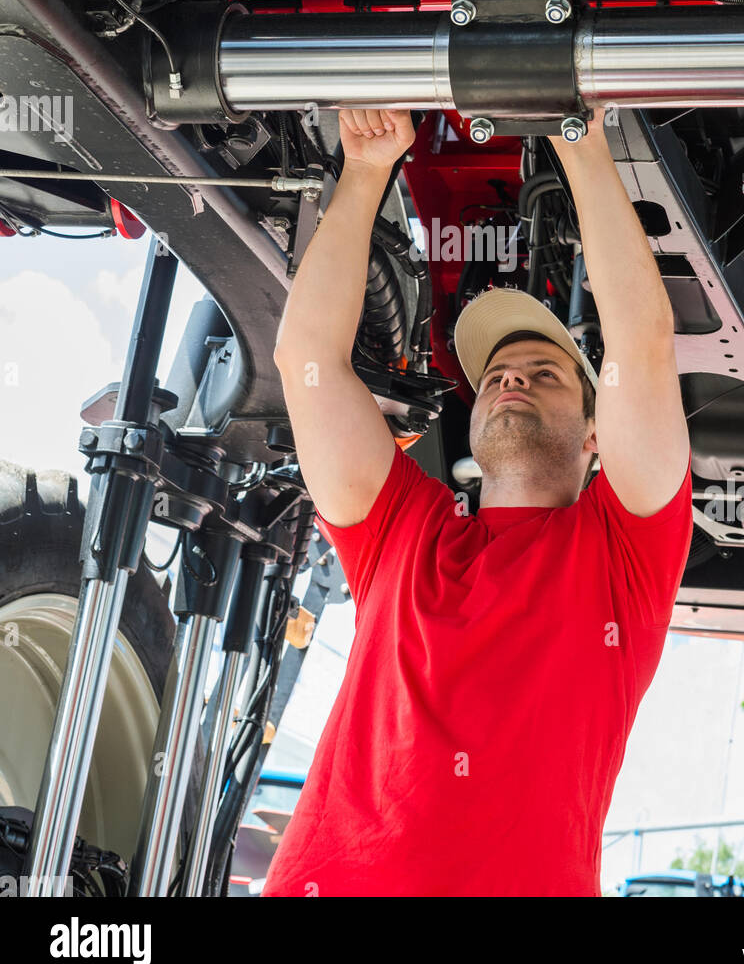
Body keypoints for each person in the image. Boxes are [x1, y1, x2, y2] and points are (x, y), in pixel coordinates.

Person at [262, 105, 692, 897]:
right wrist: (363, 173)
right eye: (495, 375)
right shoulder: (399, 533)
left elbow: (641, 343)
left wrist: (579, 140)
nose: (510, 380)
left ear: (595, 434)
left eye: (546, 373)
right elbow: (307, 359)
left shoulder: (624, 556)